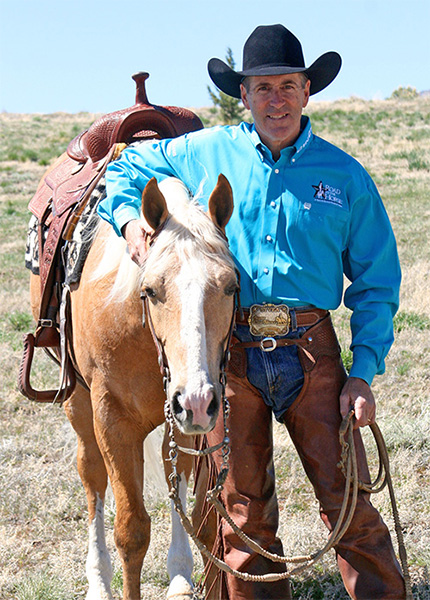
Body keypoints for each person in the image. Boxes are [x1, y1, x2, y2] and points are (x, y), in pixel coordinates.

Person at [98, 24, 405, 600]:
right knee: (242, 516)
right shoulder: (206, 150)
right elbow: (124, 168)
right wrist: (129, 225)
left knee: (350, 505)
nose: (276, 100)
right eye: (262, 88)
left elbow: (377, 281)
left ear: (307, 91)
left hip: (314, 353)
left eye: (288, 86)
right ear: (244, 95)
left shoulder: (346, 177)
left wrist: (362, 371)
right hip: (233, 354)